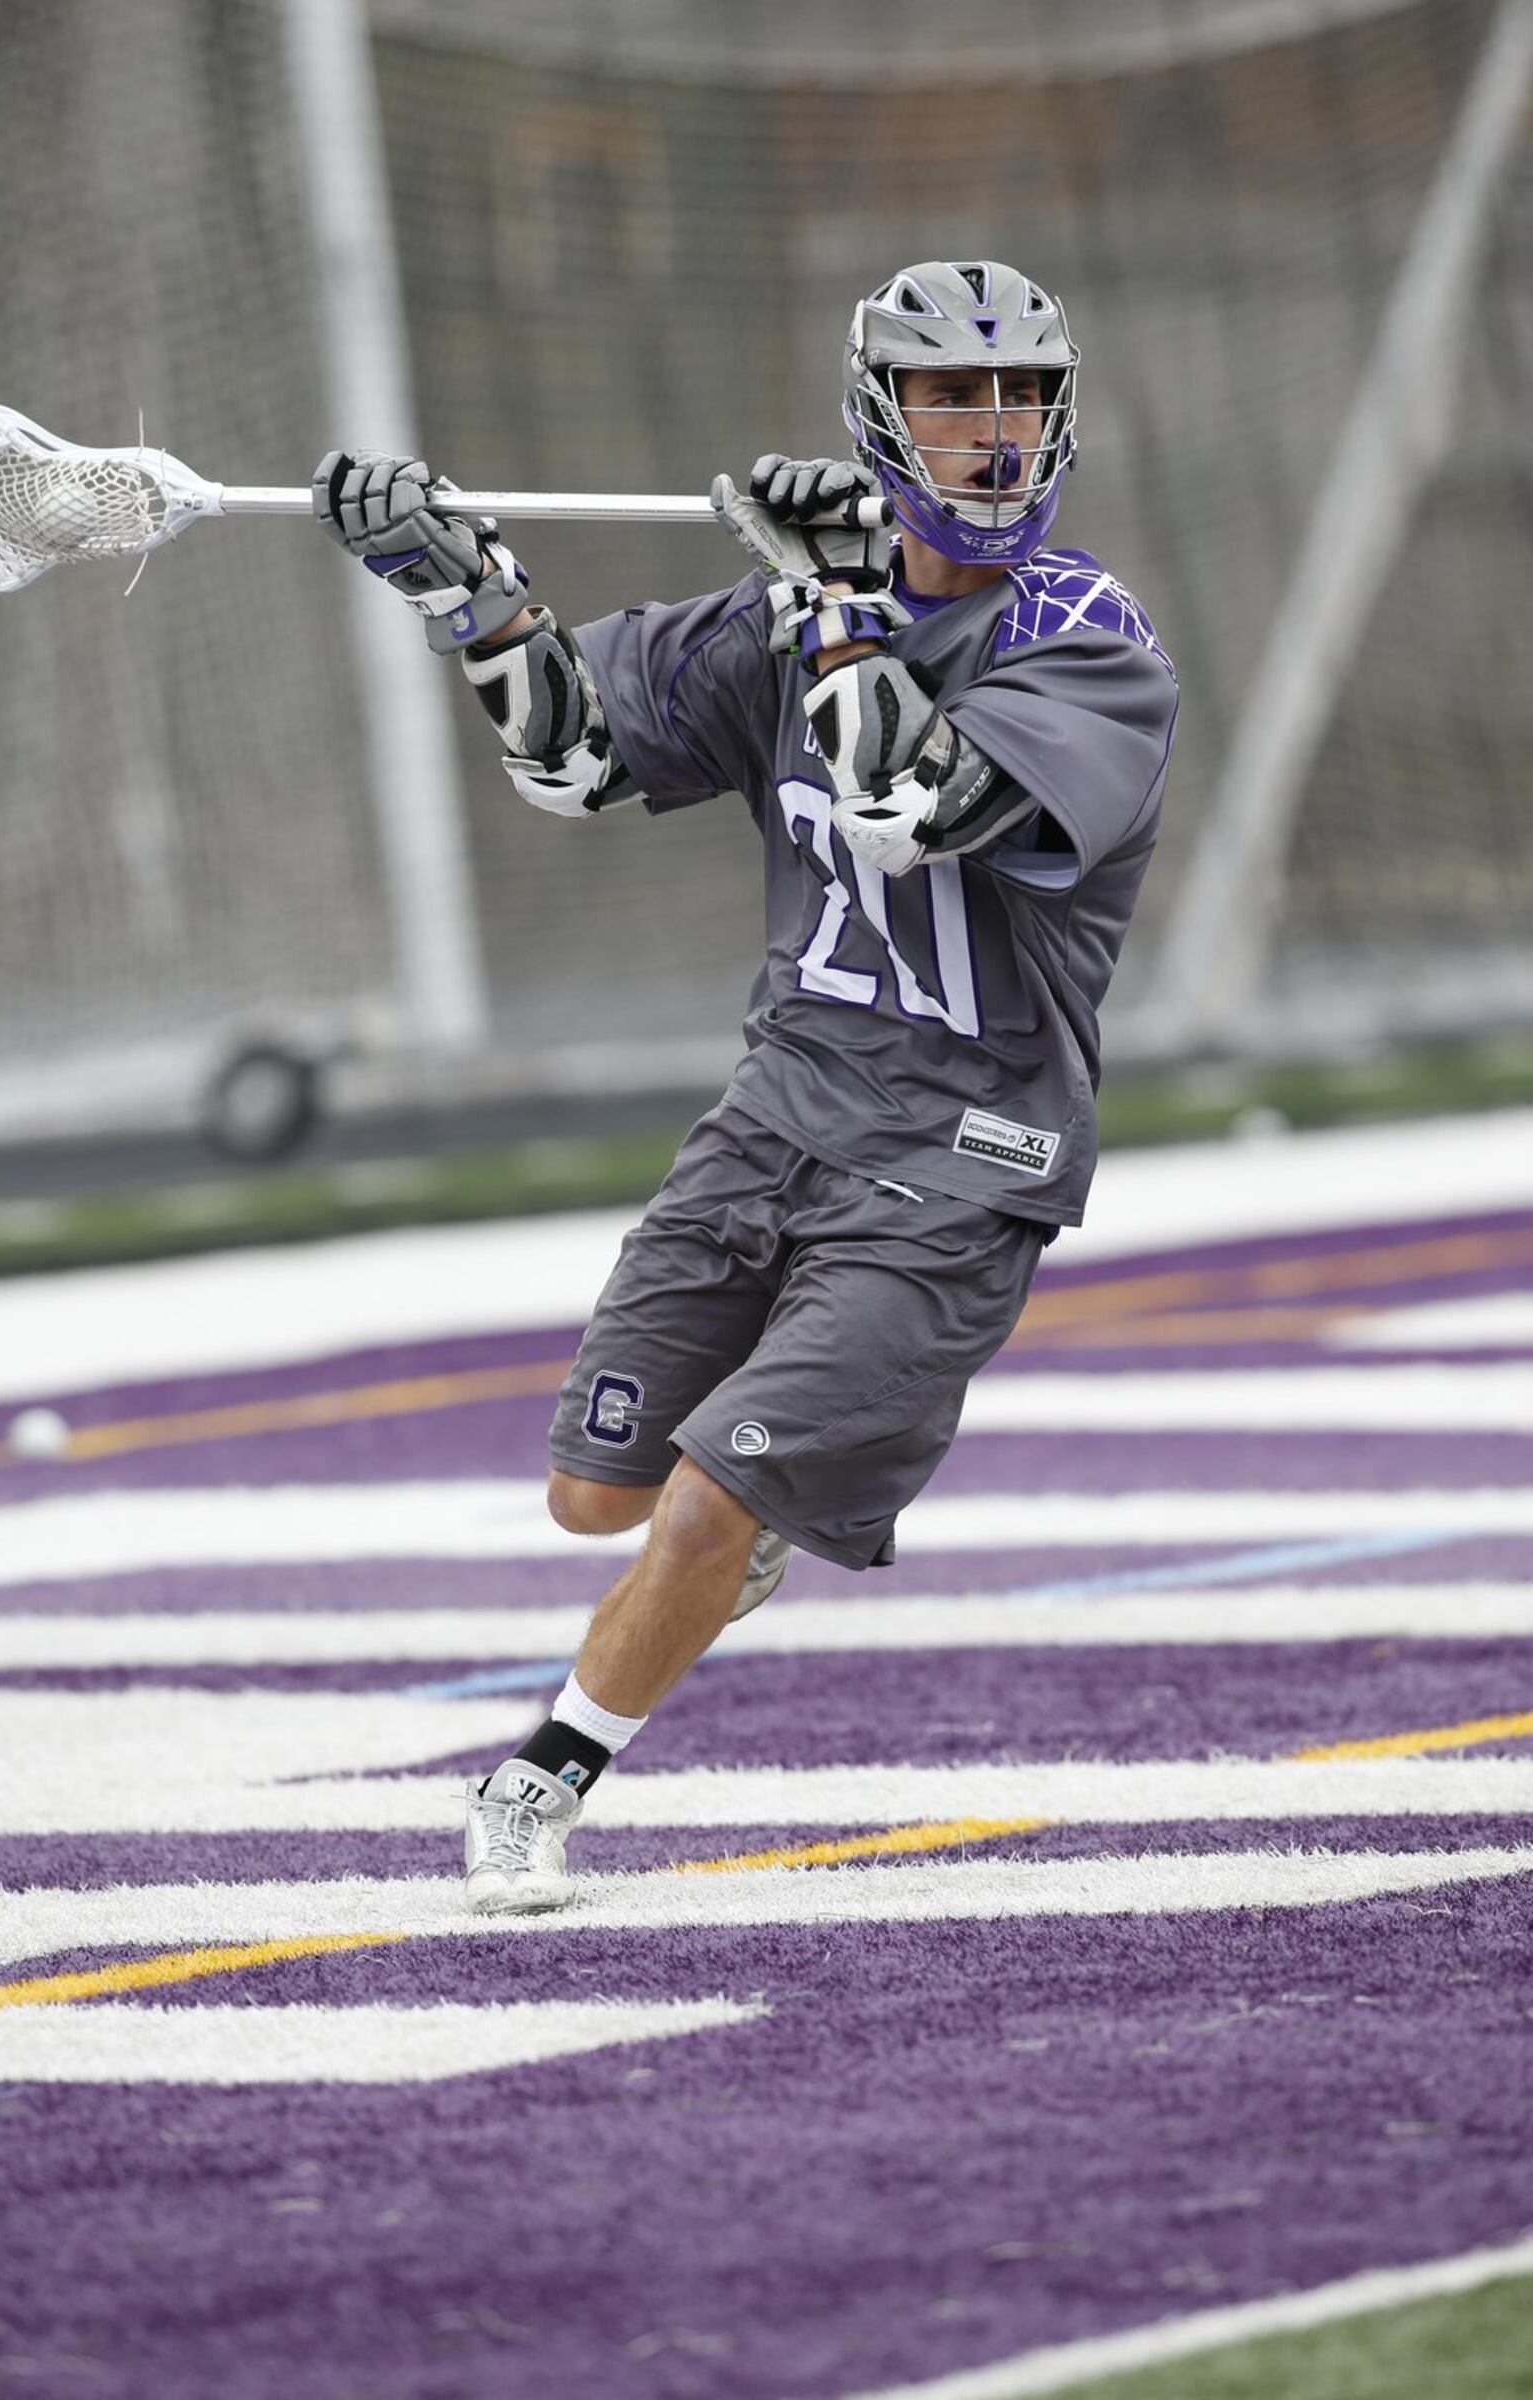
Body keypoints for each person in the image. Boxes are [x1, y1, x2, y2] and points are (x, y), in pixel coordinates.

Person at [313, 258, 1178, 1914]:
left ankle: (539, 1781)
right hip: (782, 1111)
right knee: (596, 1495)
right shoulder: (787, 611)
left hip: (967, 1148)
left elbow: (902, 806)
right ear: (881, 413)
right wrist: (465, 592)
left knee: (706, 1500)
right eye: (954, 396)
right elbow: (570, 759)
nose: (996, 435)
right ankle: (745, 1527)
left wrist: (850, 596)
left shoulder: (1090, 639)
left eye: (1023, 398)